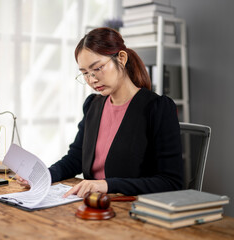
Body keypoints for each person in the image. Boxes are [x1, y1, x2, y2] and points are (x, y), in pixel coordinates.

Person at [17, 27, 183, 198]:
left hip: (132, 208)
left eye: (97, 68)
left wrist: (106, 185)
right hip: (92, 204)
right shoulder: (93, 106)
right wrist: (44, 176)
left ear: (122, 58)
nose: (92, 80)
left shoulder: (157, 107)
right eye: (85, 74)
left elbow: (171, 182)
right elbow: (76, 158)